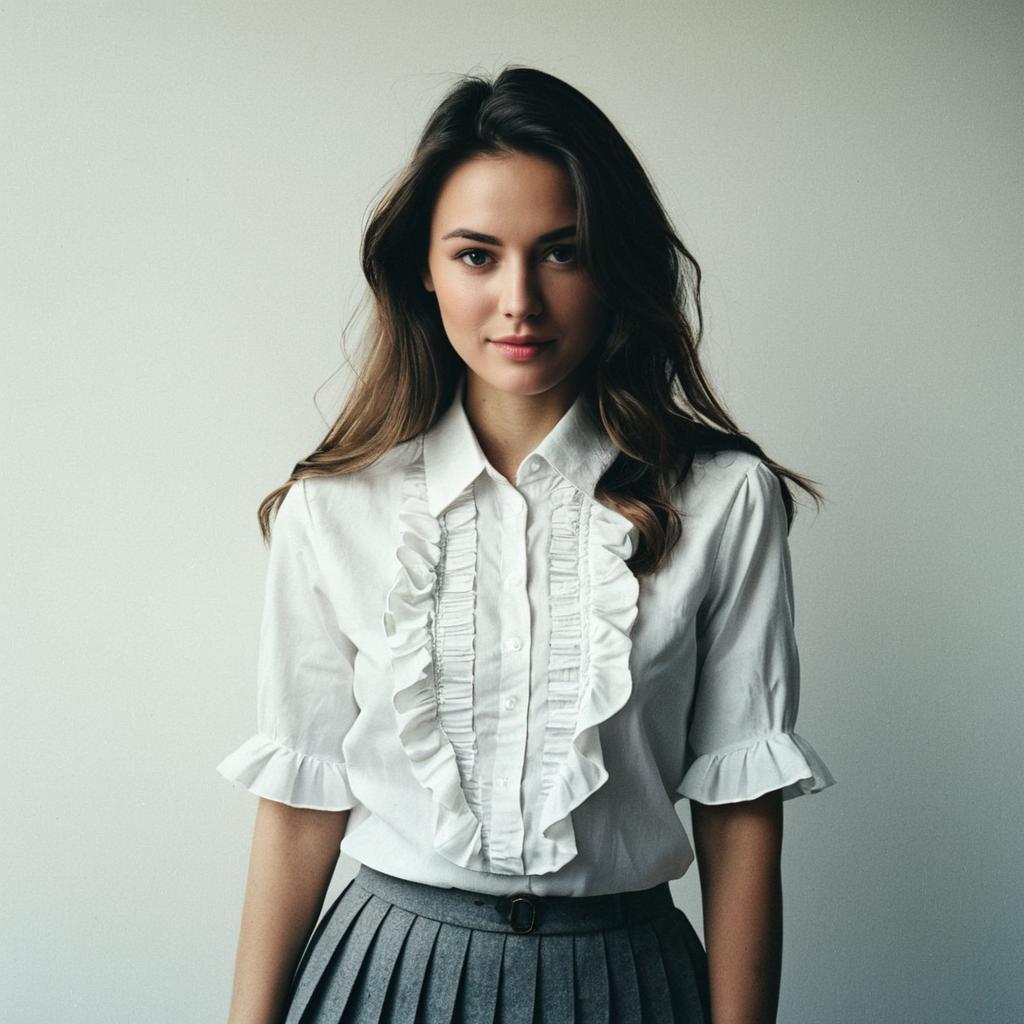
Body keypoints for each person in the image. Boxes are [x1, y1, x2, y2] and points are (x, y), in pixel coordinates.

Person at [215, 65, 837, 1024]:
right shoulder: (332, 509)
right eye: (476, 255)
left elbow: (740, 817)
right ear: (423, 268)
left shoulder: (724, 500)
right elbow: (301, 813)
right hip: (386, 978)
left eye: (561, 252)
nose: (519, 301)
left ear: (615, 266)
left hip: (629, 980)